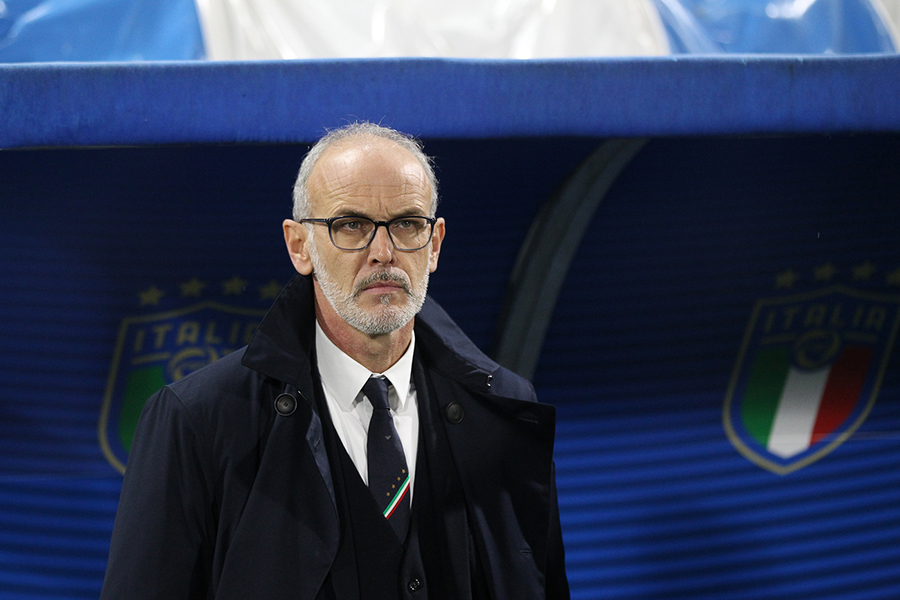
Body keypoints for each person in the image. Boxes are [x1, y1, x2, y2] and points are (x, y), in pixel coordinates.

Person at [101, 123, 569, 600]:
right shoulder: (196, 421)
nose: (383, 253)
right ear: (299, 246)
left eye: (407, 224)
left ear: (434, 244)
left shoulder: (505, 408)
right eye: (351, 226)